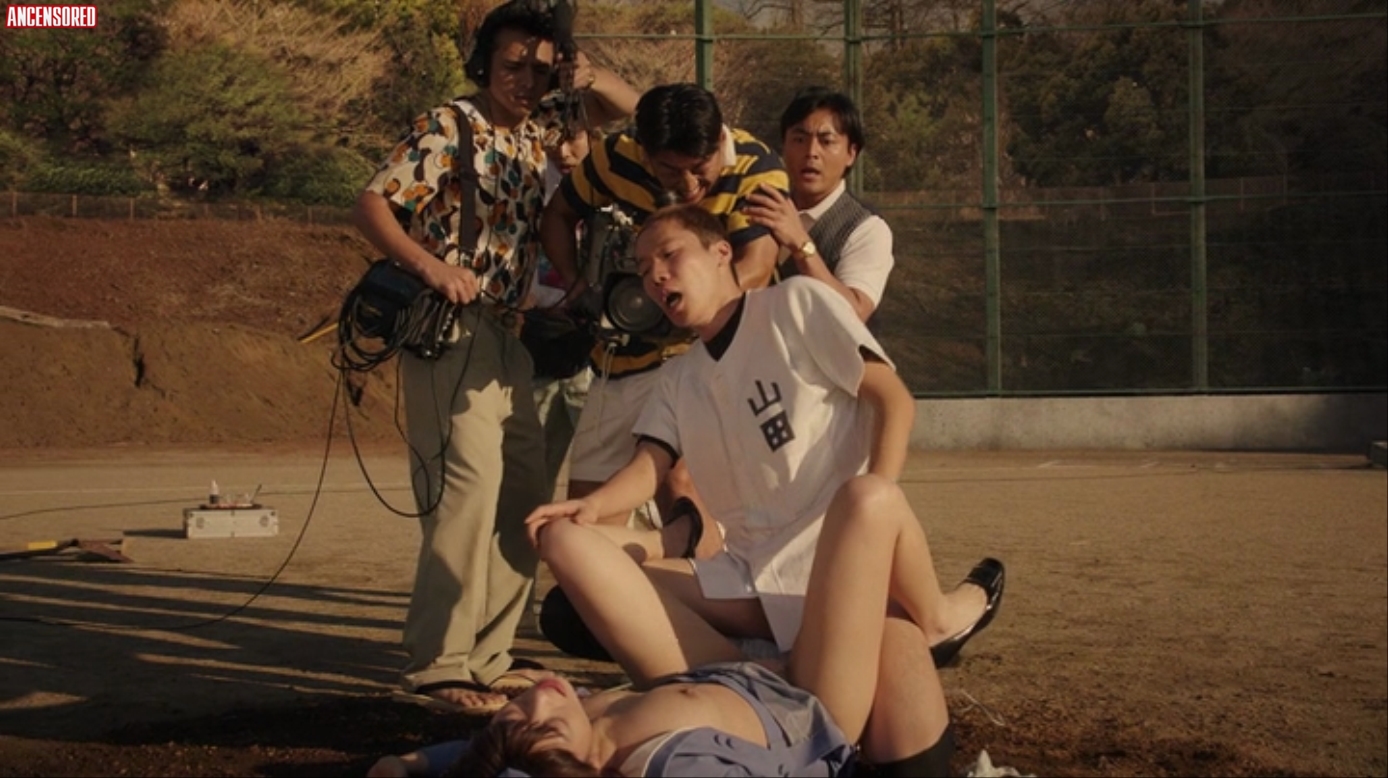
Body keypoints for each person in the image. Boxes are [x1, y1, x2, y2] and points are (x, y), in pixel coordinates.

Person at [351, 0, 638, 716]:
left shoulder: (541, 130)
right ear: (484, 62)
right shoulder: (448, 126)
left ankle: (490, 653)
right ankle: (439, 660)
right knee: (467, 490)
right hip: (451, 327)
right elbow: (373, 204)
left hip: (514, 332)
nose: (526, 80)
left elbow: (631, 111)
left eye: (540, 70)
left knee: (524, 496)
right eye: (513, 65)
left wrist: (584, 73)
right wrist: (429, 266)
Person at [539, 82, 788, 539]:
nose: (689, 185)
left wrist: (687, 311)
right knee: (587, 520)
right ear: (643, 150)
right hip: (620, 359)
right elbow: (557, 214)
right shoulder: (614, 157)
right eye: (670, 170)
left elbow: (756, 268)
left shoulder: (757, 167)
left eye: (700, 167)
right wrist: (577, 284)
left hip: (708, 362)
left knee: (682, 491)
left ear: (720, 140)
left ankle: (706, 583)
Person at [743, 86, 893, 324]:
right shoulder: (758, 205)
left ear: (851, 154)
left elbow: (855, 313)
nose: (811, 152)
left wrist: (800, 244)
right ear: (783, 146)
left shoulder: (867, 229)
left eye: (827, 141)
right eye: (799, 139)